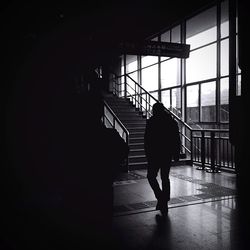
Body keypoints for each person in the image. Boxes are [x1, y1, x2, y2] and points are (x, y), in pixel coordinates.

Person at [144, 102, 180, 215]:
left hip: (154, 154)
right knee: (165, 177)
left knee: (151, 176)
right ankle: (164, 200)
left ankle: (161, 197)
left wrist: (148, 153)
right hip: (167, 154)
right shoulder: (172, 122)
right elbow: (176, 139)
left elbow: (147, 140)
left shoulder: (151, 122)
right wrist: (176, 153)